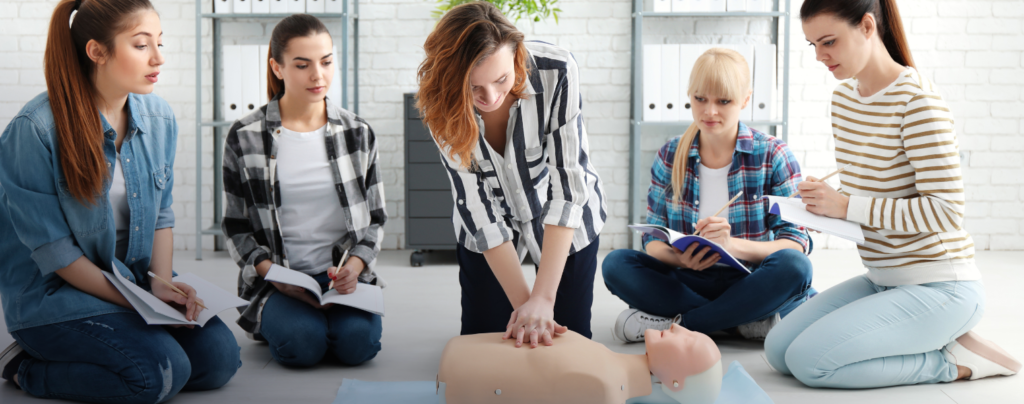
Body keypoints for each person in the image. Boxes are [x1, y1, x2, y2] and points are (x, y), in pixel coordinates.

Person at [764, 0, 1021, 389]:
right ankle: (927, 336)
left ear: (867, 26)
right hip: (883, 277)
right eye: (812, 45)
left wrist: (846, 205)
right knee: (778, 350)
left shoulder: (918, 103)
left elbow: (946, 212)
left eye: (828, 41)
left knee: (809, 363)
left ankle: (953, 360)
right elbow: (866, 191)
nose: (819, 56)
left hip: (940, 285)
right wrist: (823, 208)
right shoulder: (845, 101)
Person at [0, 1, 240, 402]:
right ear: (97, 51)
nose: (159, 57)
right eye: (142, 45)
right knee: (157, 377)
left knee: (219, 361)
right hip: (56, 293)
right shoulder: (35, 129)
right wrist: (141, 303)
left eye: (160, 43)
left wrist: (161, 286)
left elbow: (162, 212)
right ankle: (23, 367)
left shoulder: (158, 116)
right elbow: (55, 253)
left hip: (134, 281)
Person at [416, 1, 607, 347]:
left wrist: (544, 301)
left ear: (516, 55)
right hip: (490, 231)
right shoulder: (439, 104)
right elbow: (477, 207)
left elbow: (568, 186)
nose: (489, 97)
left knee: (571, 344)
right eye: (473, 87)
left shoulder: (557, 71)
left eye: (501, 79)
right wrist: (526, 310)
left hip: (564, 221)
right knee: (488, 347)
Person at [601, 48, 813, 343]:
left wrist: (731, 246)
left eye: (723, 101)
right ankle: (744, 321)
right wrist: (682, 260)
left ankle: (681, 324)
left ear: (745, 99)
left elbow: (796, 243)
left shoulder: (773, 154)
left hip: (751, 280)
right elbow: (652, 241)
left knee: (796, 267)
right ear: (690, 95)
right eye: (700, 99)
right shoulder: (670, 153)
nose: (709, 111)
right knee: (616, 264)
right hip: (690, 280)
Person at [221, 14, 387, 368]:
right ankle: (285, 317)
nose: (318, 75)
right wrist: (272, 275)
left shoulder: (358, 133)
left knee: (359, 347)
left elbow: (376, 219)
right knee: (302, 348)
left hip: (342, 278)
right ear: (277, 68)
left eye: (326, 62)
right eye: (302, 65)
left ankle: (328, 317)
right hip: (279, 277)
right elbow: (235, 226)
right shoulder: (244, 136)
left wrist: (355, 266)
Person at [437, 324, 722, 404]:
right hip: (460, 361)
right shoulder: (606, 369)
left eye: (688, 342)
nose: (677, 328)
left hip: (457, 374)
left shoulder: (604, 387)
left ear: (675, 383)